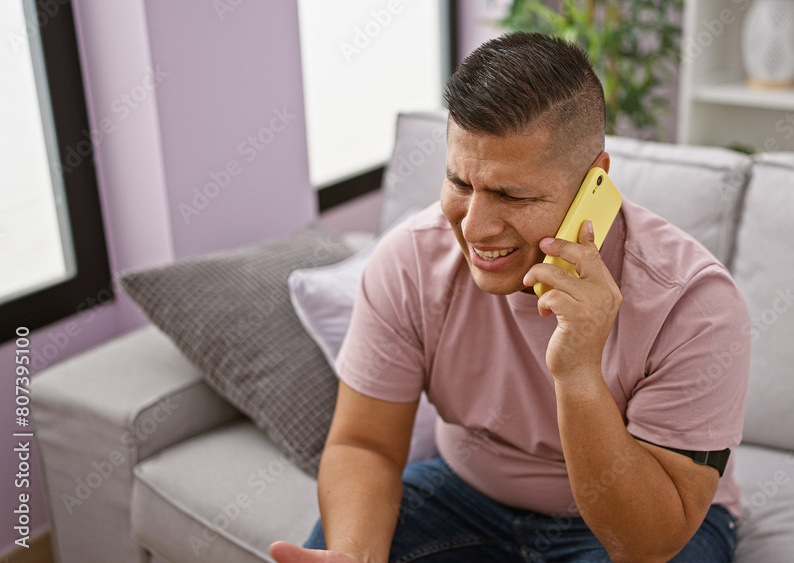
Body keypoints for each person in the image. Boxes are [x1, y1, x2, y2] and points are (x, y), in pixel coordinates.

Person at [270, 32, 749, 563]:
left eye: (511, 194)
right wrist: (356, 554)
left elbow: (646, 544)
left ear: (594, 181)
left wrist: (578, 373)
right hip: (462, 497)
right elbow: (365, 445)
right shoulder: (410, 261)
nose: (474, 227)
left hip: (641, 524)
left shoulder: (691, 303)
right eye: (460, 184)